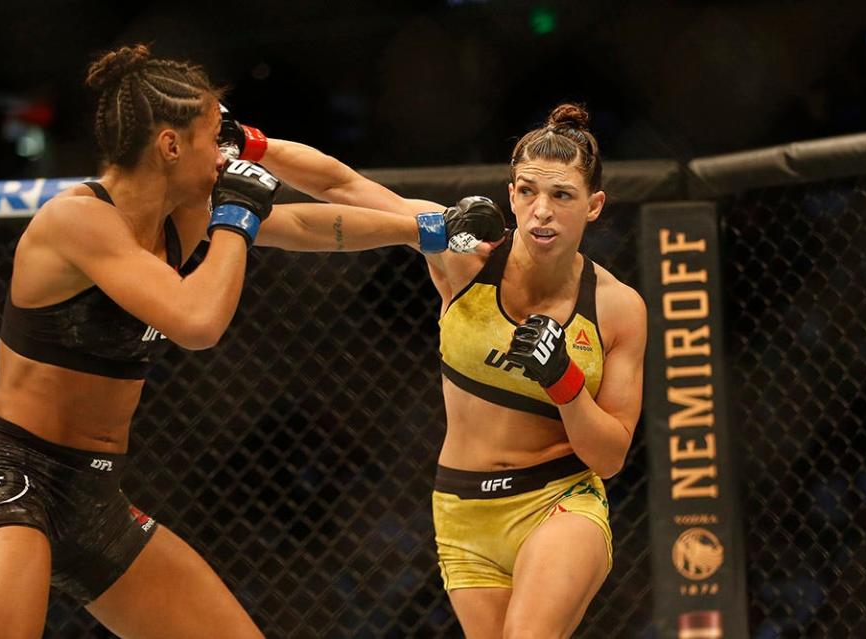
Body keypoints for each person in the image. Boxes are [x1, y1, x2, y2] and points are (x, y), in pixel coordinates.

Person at [0, 44, 504, 639]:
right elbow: (198, 321)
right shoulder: (76, 222)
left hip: (96, 495)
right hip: (18, 482)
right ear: (170, 146)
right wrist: (236, 217)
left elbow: (304, 225)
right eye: (214, 138)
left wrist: (425, 229)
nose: (224, 155)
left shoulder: (182, 215)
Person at [255, 102, 647, 638]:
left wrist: (564, 381)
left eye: (562, 196)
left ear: (594, 205)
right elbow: (345, 187)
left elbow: (610, 456)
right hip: (463, 513)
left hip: (559, 501)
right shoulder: (464, 253)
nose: (541, 211)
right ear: (510, 193)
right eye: (528, 191)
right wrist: (252, 144)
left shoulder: (618, 308)